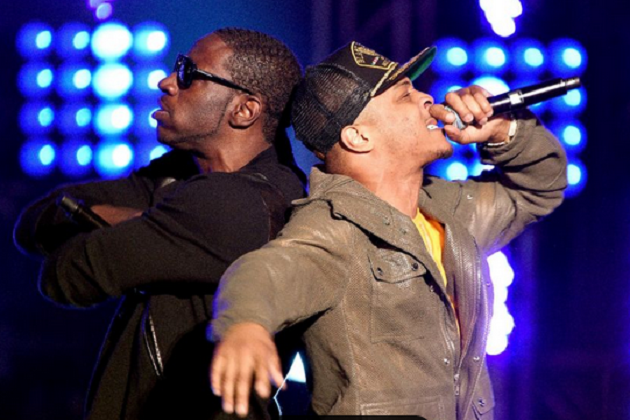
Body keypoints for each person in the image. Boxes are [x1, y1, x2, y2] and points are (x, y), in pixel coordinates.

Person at [209, 41, 568, 419]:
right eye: (405, 95)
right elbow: (267, 271)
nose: (427, 99)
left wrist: (504, 131)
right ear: (357, 136)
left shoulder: (447, 209)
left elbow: (538, 187)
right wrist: (245, 325)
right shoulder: (334, 229)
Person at [13, 28, 305, 420]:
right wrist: (144, 221)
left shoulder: (238, 203)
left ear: (244, 110)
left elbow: (65, 275)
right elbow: (35, 222)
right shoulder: (179, 177)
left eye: (189, 74)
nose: (166, 82)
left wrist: (126, 219)